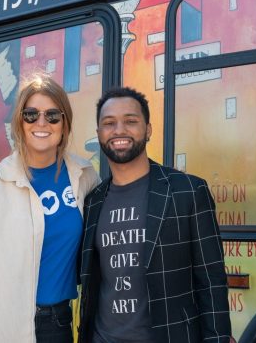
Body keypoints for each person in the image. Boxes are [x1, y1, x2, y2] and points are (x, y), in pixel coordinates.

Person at [79, 87, 231, 342]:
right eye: (109, 123)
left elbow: (211, 279)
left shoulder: (188, 191)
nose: (119, 130)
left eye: (131, 121)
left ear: (148, 129)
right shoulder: (92, 201)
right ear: (99, 134)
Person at [0, 76, 99, 342]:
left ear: (65, 124)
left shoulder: (85, 176)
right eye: (31, 114)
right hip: (7, 327)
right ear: (19, 122)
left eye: (52, 115)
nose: (41, 123)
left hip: (59, 323)